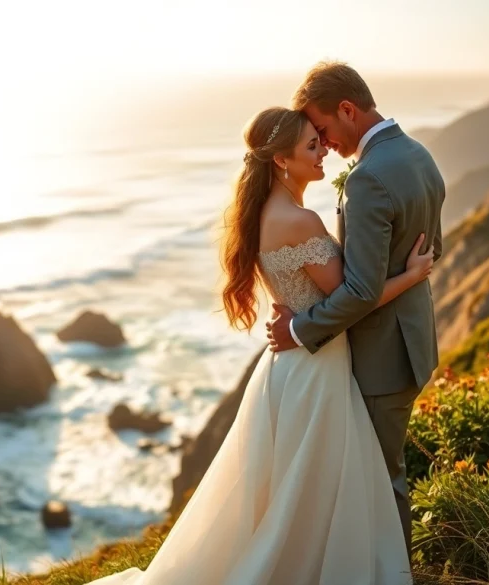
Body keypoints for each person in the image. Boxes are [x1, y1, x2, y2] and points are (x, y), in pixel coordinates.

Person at [87, 101, 434, 584]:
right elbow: (359, 296)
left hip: (286, 370)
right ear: (282, 161)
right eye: (312, 147)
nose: (323, 155)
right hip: (317, 370)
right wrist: (412, 275)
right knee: (314, 487)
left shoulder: (264, 215)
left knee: (288, 490)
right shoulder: (300, 222)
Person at [266, 61, 445, 558]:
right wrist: (410, 275)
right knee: (380, 475)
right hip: (412, 343)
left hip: (381, 357)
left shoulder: (368, 178)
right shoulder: (420, 154)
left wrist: (300, 331)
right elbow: (432, 250)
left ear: (347, 109)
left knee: (380, 482)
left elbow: (363, 290)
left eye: (322, 129)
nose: (324, 145)